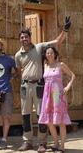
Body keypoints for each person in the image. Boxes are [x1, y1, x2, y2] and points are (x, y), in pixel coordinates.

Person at [15, 16, 71, 152]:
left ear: (30, 37)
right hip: (25, 86)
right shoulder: (18, 55)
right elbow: (17, 72)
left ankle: (42, 142)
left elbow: (57, 42)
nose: (24, 39)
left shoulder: (39, 48)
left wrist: (65, 30)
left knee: (41, 115)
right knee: (25, 115)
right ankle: (27, 141)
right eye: (22, 37)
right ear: (20, 39)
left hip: (39, 86)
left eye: (26, 37)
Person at [38, 46, 75, 152]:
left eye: (51, 53)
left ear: (55, 54)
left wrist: (67, 87)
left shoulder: (61, 65)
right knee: (49, 121)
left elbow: (73, 75)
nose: (49, 54)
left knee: (61, 121)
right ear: (45, 55)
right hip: (47, 95)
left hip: (57, 94)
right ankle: (56, 143)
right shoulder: (45, 65)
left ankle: (62, 146)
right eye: (47, 53)